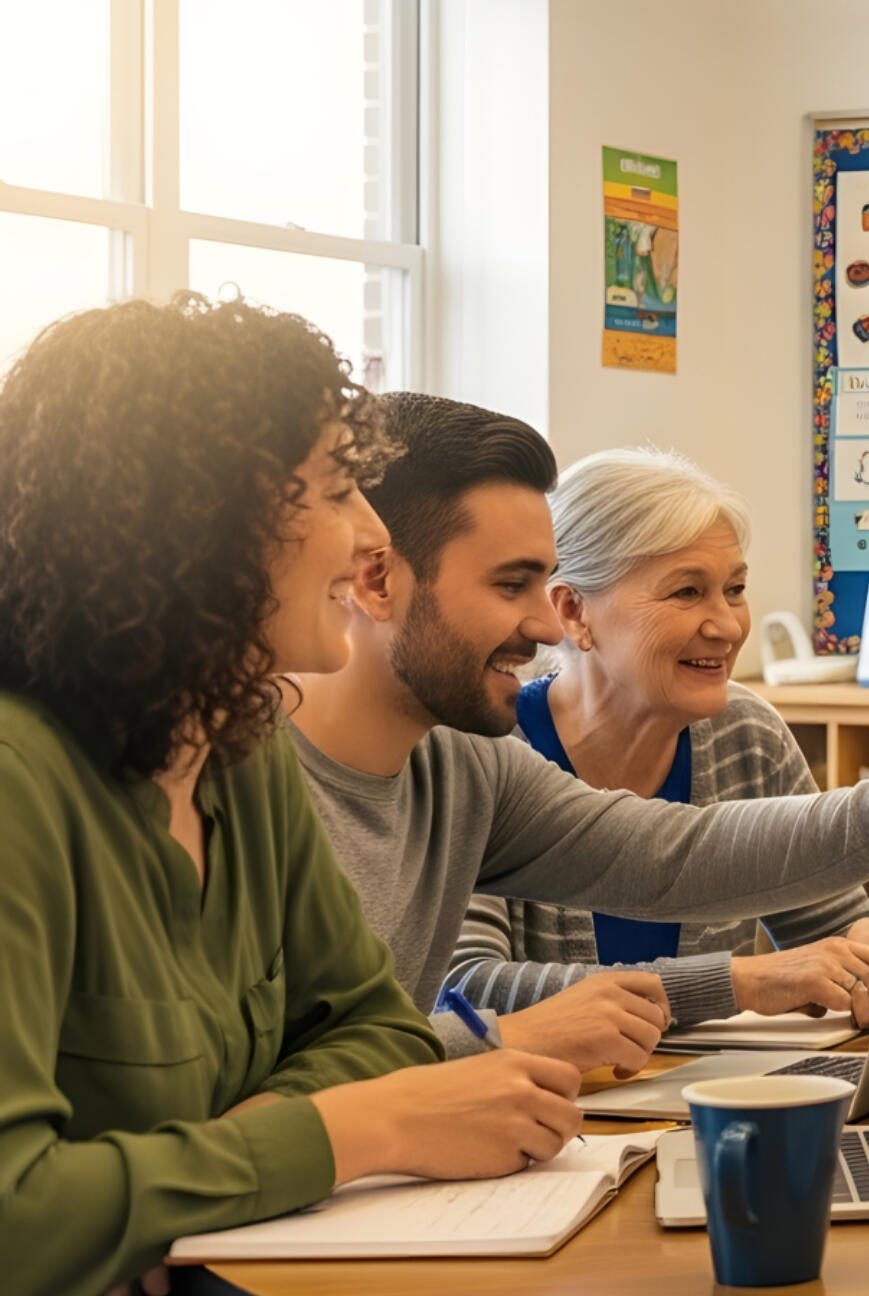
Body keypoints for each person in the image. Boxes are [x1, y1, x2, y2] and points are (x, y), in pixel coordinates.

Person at [0, 296, 584, 1294]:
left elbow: (380, 1026)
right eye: (337, 493)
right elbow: (17, 1217)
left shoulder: (241, 747)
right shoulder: (21, 784)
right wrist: (359, 1126)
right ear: (195, 520)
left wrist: (224, 1157)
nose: (368, 537)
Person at [288, 394, 869, 1072]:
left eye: (735, 589)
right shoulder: (275, 776)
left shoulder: (462, 762)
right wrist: (731, 982)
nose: (540, 624)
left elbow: (677, 853)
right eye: (513, 585)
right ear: (373, 580)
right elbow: (304, 1072)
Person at [447, 448, 869, 1033]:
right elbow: (465, 990)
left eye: (734, 589)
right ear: (572, 611)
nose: (728, 625)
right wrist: (742, 982)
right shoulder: (481, 749)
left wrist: (866, 950)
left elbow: (831, 926)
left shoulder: (748, 736)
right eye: (687, 593)